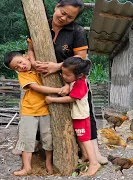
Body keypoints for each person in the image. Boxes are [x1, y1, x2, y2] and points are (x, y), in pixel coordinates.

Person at [27, 0, 107, 164]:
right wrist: (34, 63)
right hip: (44, 77)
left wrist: (57, 66)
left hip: (72, 78)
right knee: (42, 109)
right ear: (57, 6)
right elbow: (30, 49)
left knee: (84, 113)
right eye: (63, 13)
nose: (64, 18)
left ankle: (93, 152)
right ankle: (36, 146)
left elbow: (81, 57)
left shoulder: (76, 31)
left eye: (70, 17)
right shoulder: (40, 23)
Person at [3, 51, 67, 176]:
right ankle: (27, 167)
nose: (21, 67)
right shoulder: (23, 75)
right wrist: (59, 90)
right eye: (16, 67)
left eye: (20, 62)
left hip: (45, 109)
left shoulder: (40, 66)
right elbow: (36, 87)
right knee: (26, 138)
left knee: (48, 137)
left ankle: (48, 163)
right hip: (29, 110)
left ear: (26, 56)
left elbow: (32, 50)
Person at [45, 57, 100, 176]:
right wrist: (66, 82)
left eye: (67, 75)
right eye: (63, 73)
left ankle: (94, 163)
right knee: (81, 137)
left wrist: (53, 100)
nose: (63, 76)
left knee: (85, 139)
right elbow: (68, 79)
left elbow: (71, 98)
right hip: (77, 115)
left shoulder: (81, 84)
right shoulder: (76, 78)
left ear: (79, 75)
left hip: (81, 116)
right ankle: (86, 155)